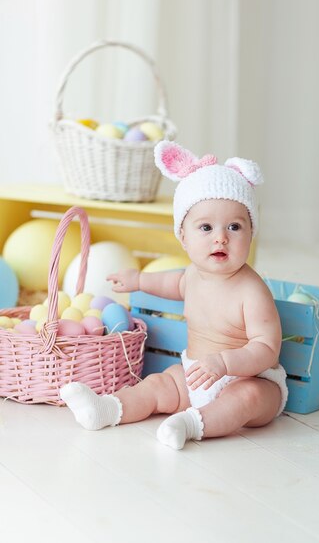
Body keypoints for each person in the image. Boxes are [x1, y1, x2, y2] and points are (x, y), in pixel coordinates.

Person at [60, 141, 288, 450]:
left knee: (246, 398)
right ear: (183, 236)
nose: (221, 237)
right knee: (160, 383)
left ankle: (192, 424)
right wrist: (139, 279)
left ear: (251, 233)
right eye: (205, 227)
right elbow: (170, 284)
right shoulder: (192, 276)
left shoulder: (252, 290)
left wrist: (224, 363)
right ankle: (108, 408)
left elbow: (266, 349)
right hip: (196, 377)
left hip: (250, 379)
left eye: (235, 226)